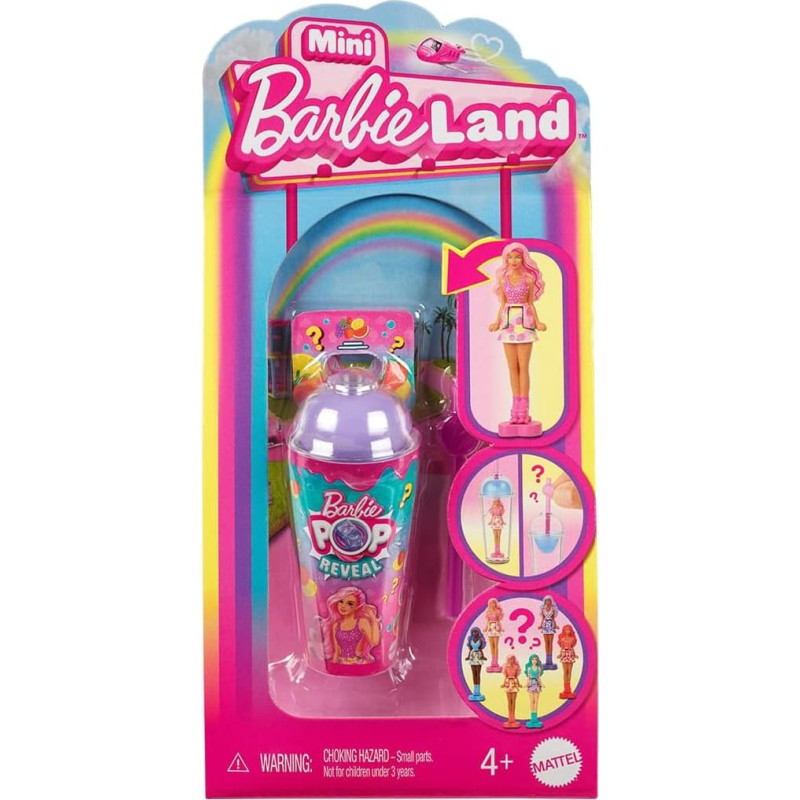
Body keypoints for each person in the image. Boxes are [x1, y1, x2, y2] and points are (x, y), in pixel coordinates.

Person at [487, 243, 546, 427]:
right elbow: (502, 304)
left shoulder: (528, 280)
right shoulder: (503, 280)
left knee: (523, 366)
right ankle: (515, 407)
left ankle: (524, 408)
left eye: (517, 257)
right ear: (506, 260)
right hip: (508, 324)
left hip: (525, 322)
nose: (513, 261)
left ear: (523, 259)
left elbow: (531, 303)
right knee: (512, 367)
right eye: (510, 257)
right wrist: (497, 322)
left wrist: (537, 322)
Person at [319, 586, 380, 665]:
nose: (343, 606)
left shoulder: (362, 622)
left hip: (359, 662)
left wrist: (373, 618)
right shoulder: (336, 625)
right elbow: (337, 651)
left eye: (350, 603)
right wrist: (334, 664)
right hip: (341, 662)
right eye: (341, 601)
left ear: (357, 607)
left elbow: (375, 641)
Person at [465, 627, 488, 701]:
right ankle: (474, 691)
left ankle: (478, 690)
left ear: (478, 633)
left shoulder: (480, 640)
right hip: (472, 656)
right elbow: (470, 649)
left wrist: (483, 657)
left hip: (478, 656)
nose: (475, 633)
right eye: (474, 632)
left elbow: (480, 649)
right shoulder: (470, 640)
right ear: (472, 633)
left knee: (478, 674)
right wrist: (468, 656)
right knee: (473, 674)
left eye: (476, 632)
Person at [501, 654, 522, 729]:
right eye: (510, 659)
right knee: (509, 702)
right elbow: (506, 677)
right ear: (508, 660)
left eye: (512, 659)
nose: (511, 660)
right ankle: (510, 717)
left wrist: (519, 684)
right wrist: (503, 684)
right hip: (508, 683)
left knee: (513, 701)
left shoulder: (516, 667)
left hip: (514, 683)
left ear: (514, 660)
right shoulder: (506, 667)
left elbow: (516, 676)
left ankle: (513, 717)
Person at [558, 624, 579, 699]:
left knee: (569, 671)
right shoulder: (562, 638)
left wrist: (574, 655)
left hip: (570, 653)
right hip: (564, 654)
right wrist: (560, 654)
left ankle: (568, 689)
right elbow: (562, 647)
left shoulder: (572, 639)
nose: (567, 631)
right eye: (566, 630)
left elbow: (572, 648)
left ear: (571, 631)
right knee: (565, 672)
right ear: (564, 631)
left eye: (569, 630)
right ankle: (565, 688)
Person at [524, 653, 545, 728]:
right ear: (531, 660)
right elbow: (528, 677)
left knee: (536, 701)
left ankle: (535, 717)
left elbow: (539, 677)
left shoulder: (539, 668)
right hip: (531, 684)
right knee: (531, 701)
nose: (534, 661)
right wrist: (526, 684)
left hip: (536, 684)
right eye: (533, 659)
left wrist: (541, 684)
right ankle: (532, 717)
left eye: (536, 659)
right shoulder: (529, 668)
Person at [538, 595, 559, 670]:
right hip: (545, 625)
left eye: (549, 601)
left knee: (550, 642)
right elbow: (543, 618)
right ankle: (547, 660)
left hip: (550, 624)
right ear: (545, 602)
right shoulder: (543, 609)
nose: (548, 602)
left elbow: (553, 618)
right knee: (546, 643)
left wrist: (555, 625)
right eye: (546, 601)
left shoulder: (553, 609)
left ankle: (550, 660)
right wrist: (541, 625)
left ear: (551, 602)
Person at [483, 597, 504, 672]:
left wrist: (501, 628)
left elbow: (498, 621)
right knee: (491, 646)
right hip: (490, 628)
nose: (492, 604)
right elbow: (487, 621)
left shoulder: (497, 611)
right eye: (491, 603)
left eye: (493, 603)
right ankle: (492, 660)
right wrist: (485, 628)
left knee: (495, 645)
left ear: (495, 604)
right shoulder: (488, 611)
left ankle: (496, 661)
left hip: (495, 627)